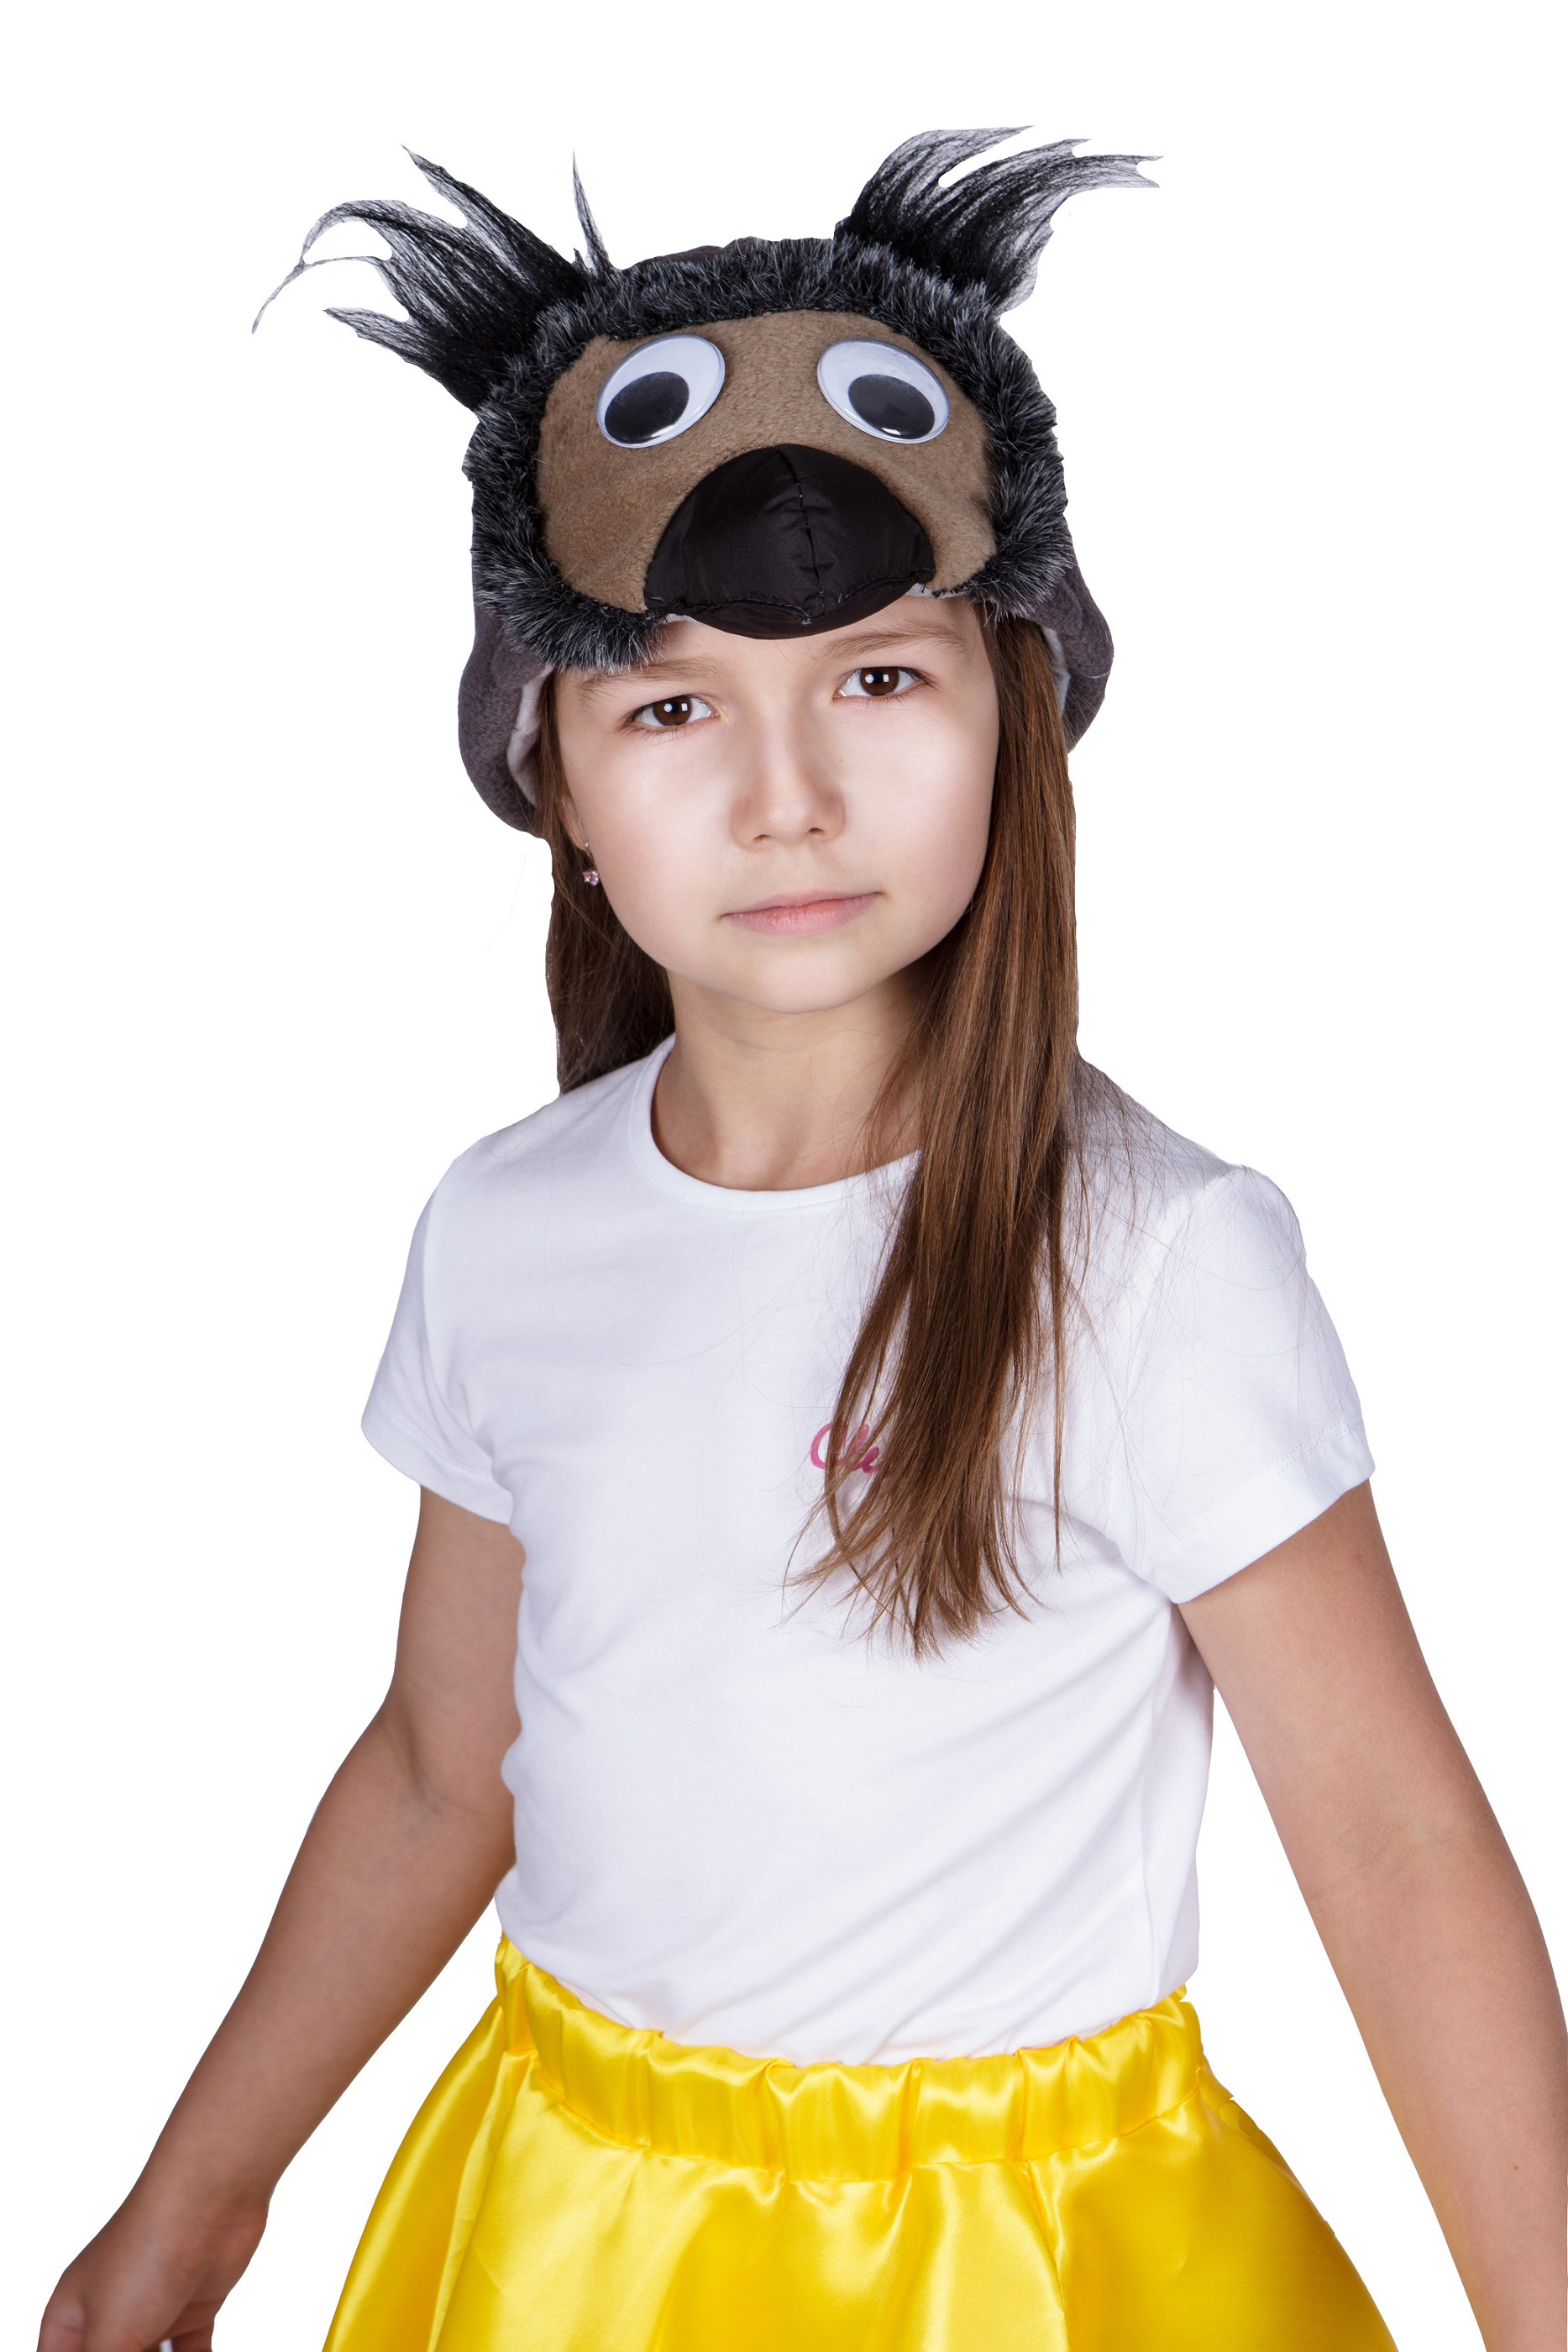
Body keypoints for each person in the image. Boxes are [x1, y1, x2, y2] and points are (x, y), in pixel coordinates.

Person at [40, 133, 1566, 2352]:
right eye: (672, 707)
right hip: (571, 2236)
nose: (785, 799)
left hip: (1014, 2274)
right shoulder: (507, 1232)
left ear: (1016, 709)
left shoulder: (1150, 1264)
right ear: (555, 781)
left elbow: (1399, 1850)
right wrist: (194, 2201)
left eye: (879, 679)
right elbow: (445, 1767)